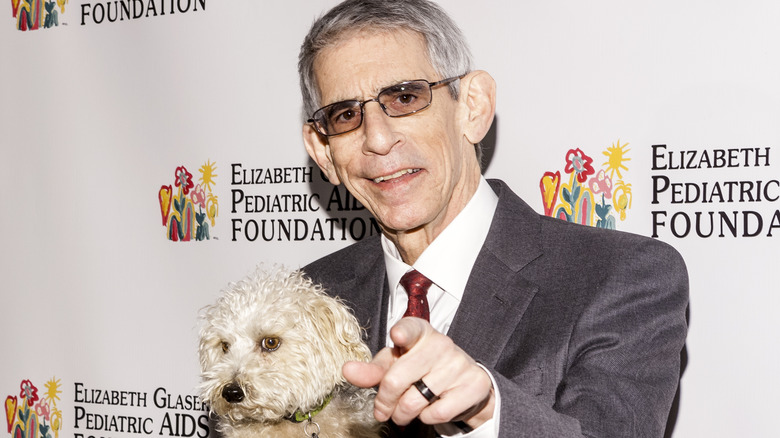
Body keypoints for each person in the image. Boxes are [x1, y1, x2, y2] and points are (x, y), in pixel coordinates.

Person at [298, 1, 689, 437]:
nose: (377, 139)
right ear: (322, 152)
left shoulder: (619, 276)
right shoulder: (304, 300)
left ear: (473, 107)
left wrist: (489, 409)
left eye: (405, 97)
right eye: (346, 115)